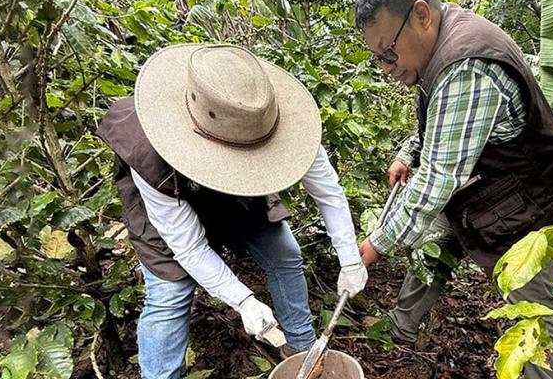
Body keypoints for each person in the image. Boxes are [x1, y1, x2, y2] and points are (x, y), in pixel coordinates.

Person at [97, 44, 368, 379]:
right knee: (170, 291)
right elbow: (189, 247)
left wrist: (350, 258)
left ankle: (302, 354)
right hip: (172, 193)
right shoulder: (148, 147)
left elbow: (327, 193)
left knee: (285, 254)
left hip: (240, 197)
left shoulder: (272, 118)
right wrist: (243, 302)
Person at [353, 0, 553, 377]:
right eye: (378, 59)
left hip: (520, 200)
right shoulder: (441, 43)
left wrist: (376, 244)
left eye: (388, 52)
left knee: (533, 312)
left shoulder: (468, 66)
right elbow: (440, 122)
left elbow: (437, 179)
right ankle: (401, 329)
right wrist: (407, 153)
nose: (386, 68)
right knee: (431, 246)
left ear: (421, 15)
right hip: (478, 188)